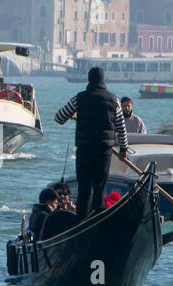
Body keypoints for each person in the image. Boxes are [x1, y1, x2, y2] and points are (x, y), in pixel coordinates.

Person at [53, 66, 128, 221]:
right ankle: (98, 220)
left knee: (84, 188)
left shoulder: (79, 98)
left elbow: (59, 117)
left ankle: (81, 220)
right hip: (104, 150)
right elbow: (121, 128)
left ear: (89, 79)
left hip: (84, 149)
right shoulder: (114, 100)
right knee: (99, 188)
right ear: (103, 80)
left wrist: (75, 115)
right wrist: (123, 150)